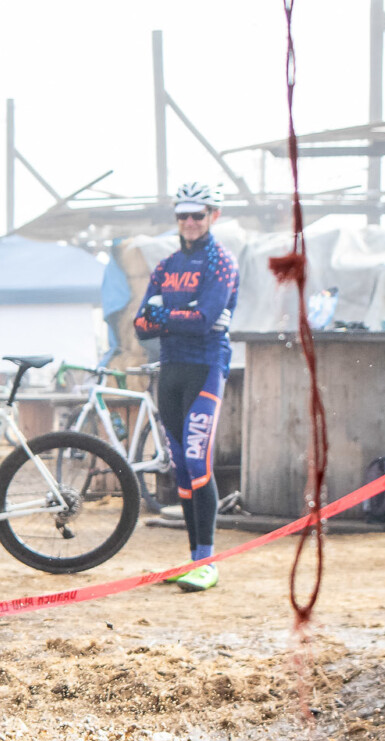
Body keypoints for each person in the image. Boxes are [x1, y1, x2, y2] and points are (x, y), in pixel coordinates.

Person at [134, 181, 240, 593]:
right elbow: (141, 323)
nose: (190, 222)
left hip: (207, 366)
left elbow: (206, 317)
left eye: (198, 214)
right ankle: (195, 558)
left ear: (214, 216)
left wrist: (167, 314)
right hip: (172, 368)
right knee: (179, 465)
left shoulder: (221, 262)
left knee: (198, 461)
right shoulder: (166, 265)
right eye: (183, 215)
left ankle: (209, 562)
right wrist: (183, 314)